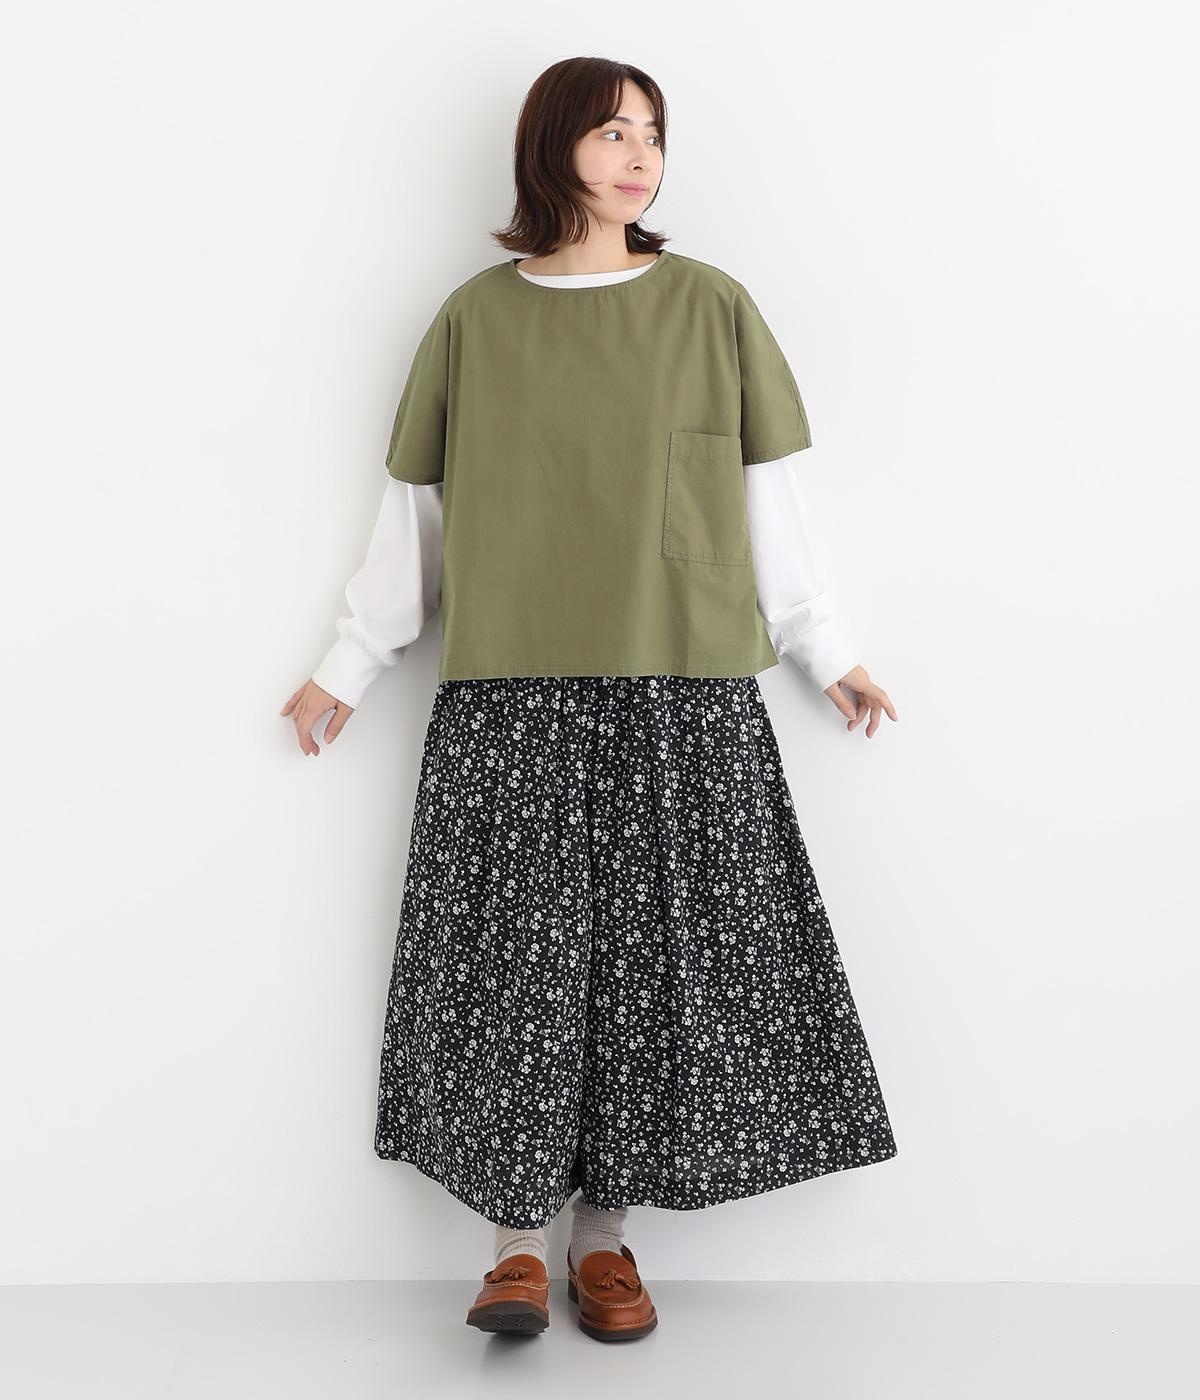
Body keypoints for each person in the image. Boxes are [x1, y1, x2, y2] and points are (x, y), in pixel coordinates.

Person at [281, 56, 899, 1344]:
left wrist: (823, 643)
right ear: (552, 144)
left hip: (680, 686)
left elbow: (764, 497)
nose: (640, 156)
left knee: (655, 972)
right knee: (514, 968)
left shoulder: (710, 305)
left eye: (654, 135)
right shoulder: (473, 320)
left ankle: (605, 1236)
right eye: (614, 131)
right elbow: (417, 511)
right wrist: (351, 659)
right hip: (511, 695)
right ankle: (515, 1241)